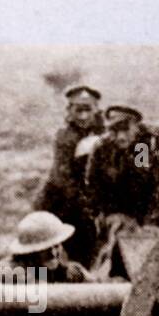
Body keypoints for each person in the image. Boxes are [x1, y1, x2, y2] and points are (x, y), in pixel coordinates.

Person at [85, 105, 159, 271]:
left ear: (136, 126)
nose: (120, 137)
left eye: (125, 130)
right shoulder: (102, 148)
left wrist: (150, 220)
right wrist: (108, 214)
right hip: (128, 215)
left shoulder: (145, 143)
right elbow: (93, 188)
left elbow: (157, 185)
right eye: (114, 131)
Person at [34, 85, 106, 266]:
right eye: (78, 110)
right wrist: (88, 207)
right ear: (69, 111)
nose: (83, 116)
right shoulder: (65, 136)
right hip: (61, 204)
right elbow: (63, 178)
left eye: (88, 109)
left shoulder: (108, 134)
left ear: (97, 110)